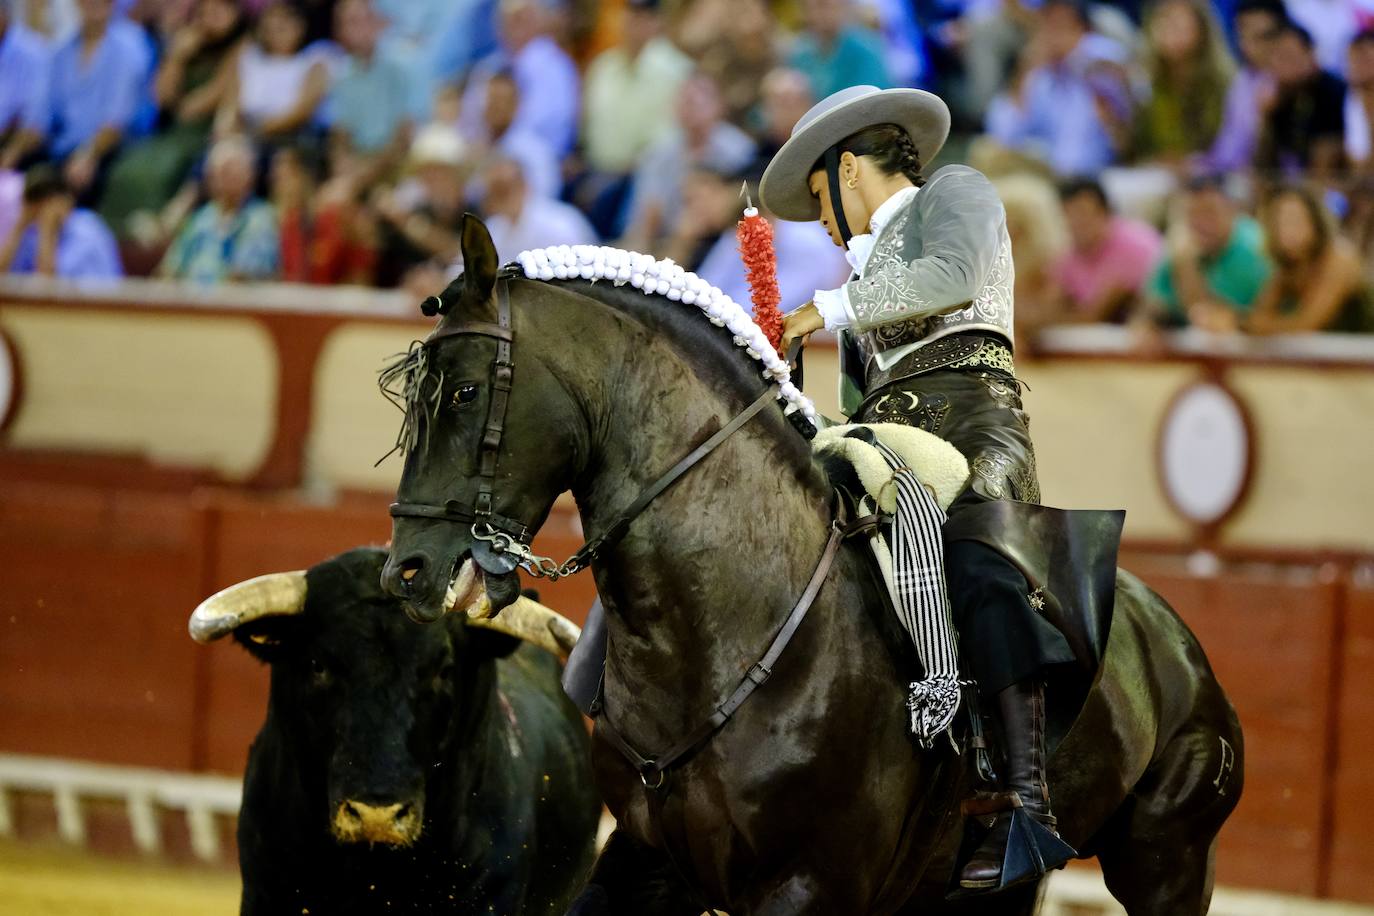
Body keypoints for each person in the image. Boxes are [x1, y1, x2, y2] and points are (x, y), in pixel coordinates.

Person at [763, 85, 1103, 892]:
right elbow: (857, 401)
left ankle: (1026, 802)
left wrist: (823, 310)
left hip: (975, 427)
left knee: (979, 562)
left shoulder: (957, 192)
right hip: (888, 442)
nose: (818, 221)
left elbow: (951, 278)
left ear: (848, 170)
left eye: (817, 198)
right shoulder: (858, 273)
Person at [983, 0, 1132, 177]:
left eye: (1061, 25)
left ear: (1083, 29)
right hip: (1052, 171)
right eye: (1047, 25)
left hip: (1103, 173)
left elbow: (1110, 61)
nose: (1052, 35)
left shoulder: (1101, 55)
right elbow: (1003, 133)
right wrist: (1026, 69)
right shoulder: (1041, 76)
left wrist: (1072, 54)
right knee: (987, 154)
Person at [620, 72, 756, 254]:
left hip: (726, 242)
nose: (692, 109)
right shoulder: (657, 155)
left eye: (700, 101)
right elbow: (646, 219)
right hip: (666, 241)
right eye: (686, 101)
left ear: (719, 106)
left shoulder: (741, 151)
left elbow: (745, 209)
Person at [48, 0, 153, 200]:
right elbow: (49, 115)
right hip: (64, 149)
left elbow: (118, 119)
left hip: (115, 149)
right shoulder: (61, 50)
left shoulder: (131, 43)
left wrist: (88, 155)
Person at [581, 0, 691, 178]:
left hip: (646, 174)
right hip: (595, 168)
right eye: (631, 14)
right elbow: (587, 124)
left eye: (644, 16)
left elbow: (670, 137)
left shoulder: (676, 71)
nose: (634, 22)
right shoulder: (603, 66)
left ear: (658, 21)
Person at [1145, 175, 1271, 330]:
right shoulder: (1179, 243)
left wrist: (1186, 267)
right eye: (1193, 213)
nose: (1202, 222)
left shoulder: (1256, 248)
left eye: (1210, 212)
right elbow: (1152, 305)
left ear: (1232, 210)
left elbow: (1214, 319)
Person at [1248, 184, 1370, 333]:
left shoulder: (1339, 260)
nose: (1287, 229)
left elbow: (1306, 324)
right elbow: (1256, 317)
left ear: (1315, 221)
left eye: (1295, 219)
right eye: (1279, 221)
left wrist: (1262, 327)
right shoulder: (1289, 268)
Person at [159, 135, 279, 283]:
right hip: (189, 302)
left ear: (250, 175)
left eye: (232, 171)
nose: (225, 179)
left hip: (234, 303)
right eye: (220, 172)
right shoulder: (199, 219)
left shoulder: (261, 218)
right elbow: (170, 270)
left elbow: (243, 276)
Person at [217, 0, 331, 148]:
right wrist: (225, 129)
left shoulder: (316, 58)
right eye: (271, 25)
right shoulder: (249, 57)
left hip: (290, 138)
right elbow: (231, 102)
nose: (276, 30)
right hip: (243, 134)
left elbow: (301, 112)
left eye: (283, 25)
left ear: (300, 26)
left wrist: (252, 132)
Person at [1050, 178, 1164, 323]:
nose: (1075, 222)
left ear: (1105, 211)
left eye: (1082, 213)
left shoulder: (1139, 244)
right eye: (1068, 214)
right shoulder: (1063, 253)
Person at [1135, 0, 1235, 163]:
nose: (1170, 32)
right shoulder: (1143, 80)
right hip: (1156, 174)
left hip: (1212, 173)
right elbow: (1138, 145)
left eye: (1178, 24)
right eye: (1164, 22)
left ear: (1202, 29)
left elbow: (1230, 147)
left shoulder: (1225, 83)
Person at [1197, 0, 1283, 174]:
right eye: (1243, 36)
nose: (1249, 46)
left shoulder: (1292, 83)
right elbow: (1227, 151)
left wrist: (1266, 120)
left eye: (1261, 37)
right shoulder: (1241, 82)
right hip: (1233, 177)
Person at [1256, 21, 1346, 180]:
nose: (1281, 64)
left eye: (1288, 55)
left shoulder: (1335, 93)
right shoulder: (1279, 98)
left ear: (1311, 54)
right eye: (1275, 57)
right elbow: (1264, 167)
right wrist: (1265, 118)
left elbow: (1324, 166)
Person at [0, 164, 121, 278]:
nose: (41, 212)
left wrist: (48, 228)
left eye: (47, 203)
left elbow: (49, 285)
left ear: (66, 200)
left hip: (95, 298)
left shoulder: (87, 228)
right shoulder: (32, 233)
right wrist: (20, 225)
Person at [479, 152, 596, 264]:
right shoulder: (493, 228)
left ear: (524, 185)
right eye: (491, 191)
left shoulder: (560, 224)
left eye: (503, 189)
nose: (497, 197)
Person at [787, 0, 891, 101]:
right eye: (812, 7)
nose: (820, 14)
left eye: (825, 5)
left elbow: (874, 96)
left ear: (842, 6)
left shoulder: (866, 48)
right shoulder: (800, 52)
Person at [0, 1, 52, 170]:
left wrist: (13, 151)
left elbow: (35, 122)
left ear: (4, 14)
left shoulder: (32, 50)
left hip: (19, 145)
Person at [1346, 29, 1374, 173]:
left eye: (1366, 59)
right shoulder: (1354, 97)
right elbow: (1358, 165)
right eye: (1353, 60)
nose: (1357, 66)